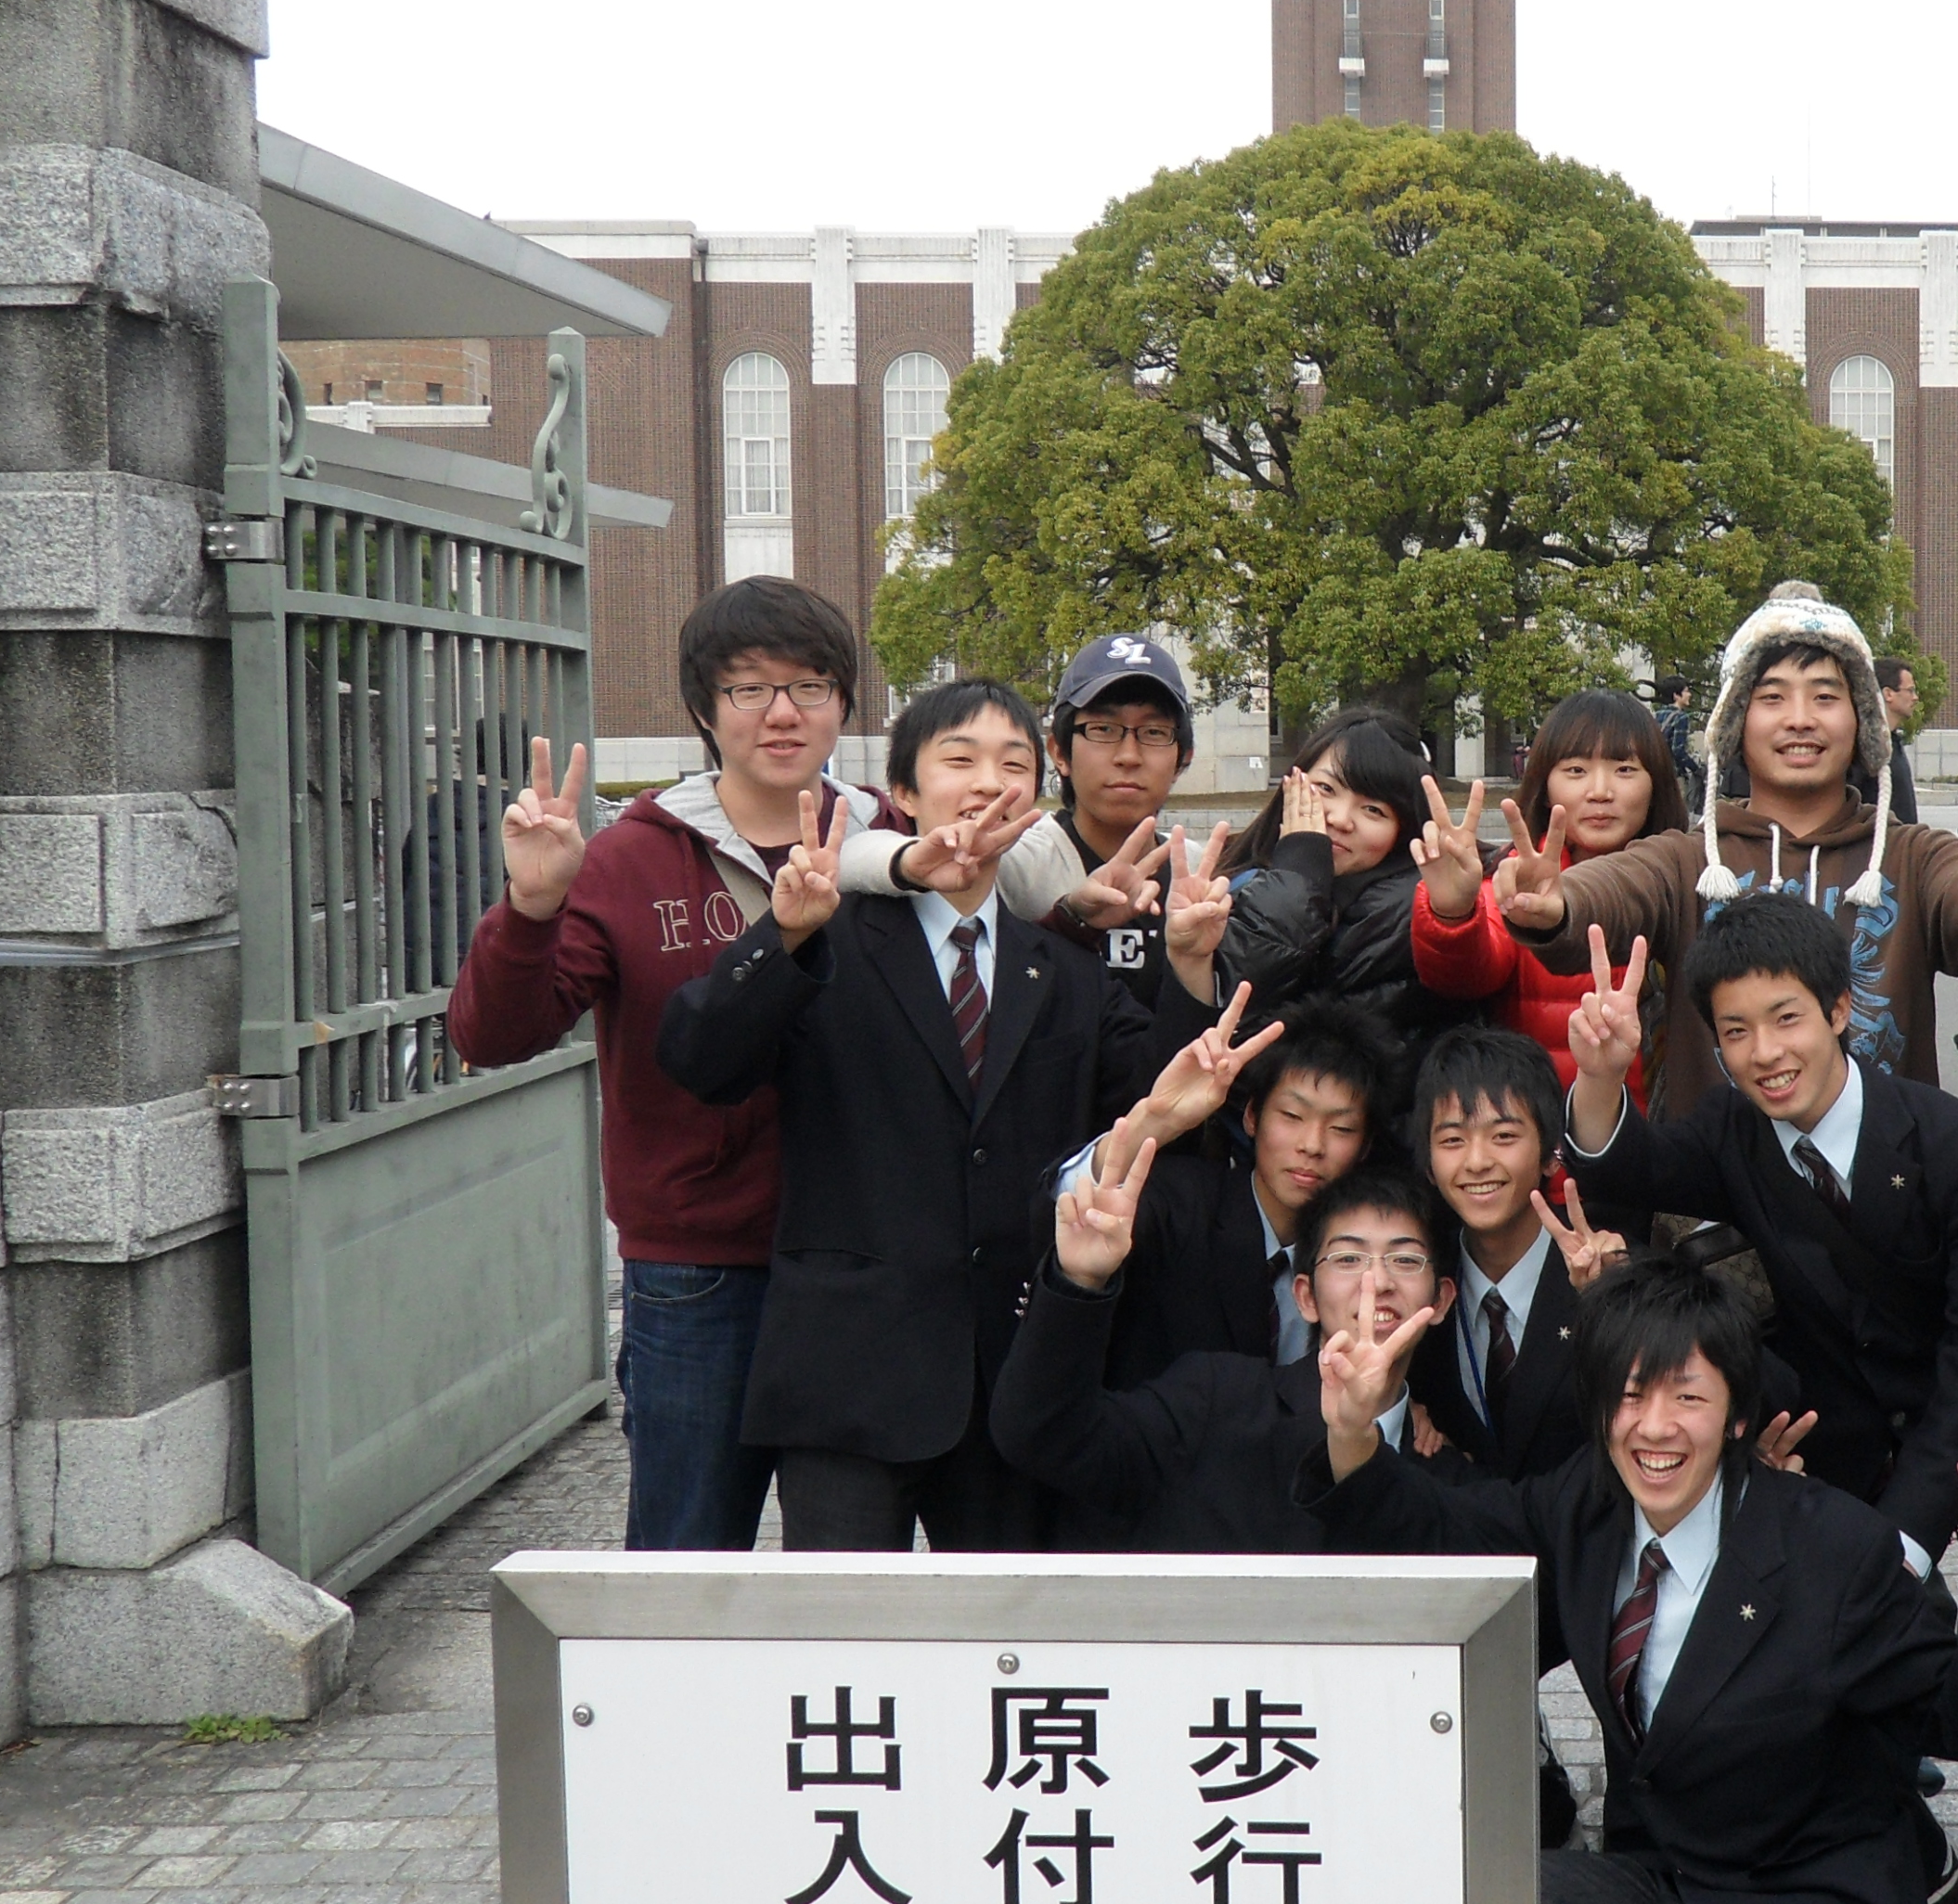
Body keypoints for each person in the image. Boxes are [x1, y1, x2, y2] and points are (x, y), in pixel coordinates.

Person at [1562, 894, 1958, 1904]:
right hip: (1836, 1444)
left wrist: (1904, 1537)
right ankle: (1890, 1840)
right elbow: (1630, 1163)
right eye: (1735, 1031)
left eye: (1786, 1019)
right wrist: (1601, 1074)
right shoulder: (1733, 1130)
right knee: (1818, 1651)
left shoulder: (1955, 1145)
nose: (1765, 1053)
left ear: (1841, 1010)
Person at [652, 676, 1243, 1551]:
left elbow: (1161, 1101)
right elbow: (699, 1062)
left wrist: (1190, 966)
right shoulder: (829, 941)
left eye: (1012, 764)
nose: (986, 782)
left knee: (1011, 1629)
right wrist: (782, 935)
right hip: (850, 1379)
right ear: (904, 789)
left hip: (1014, 1383)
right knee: (848, 1627)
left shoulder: (1062, 969)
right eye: (959, 760)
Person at [1304, 1251, 1958, 1904]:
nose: (1656, 1426)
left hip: (1812, 1877)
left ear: (1737, 1417)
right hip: (1662, 1870)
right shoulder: (1586, 1504)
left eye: (1688, 1396)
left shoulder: (1835, 1547)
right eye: (1630, 1394)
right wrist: (1353, 1432)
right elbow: (1445, 1532)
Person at [447, 579, 890, 1552]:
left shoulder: (894, 844)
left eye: (810, 685)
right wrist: (532, 909)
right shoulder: (631, 860)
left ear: (843, 702)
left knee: (854, 1573)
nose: (782, 712)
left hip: (867, 1263)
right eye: (749, 689)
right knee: (685, 1560)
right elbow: (492, 1034)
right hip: (699, 1272)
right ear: (704, 708)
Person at [1500, 581, 1958, 1119]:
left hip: (1885, 1195)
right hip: (1719, 1206)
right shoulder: (1689, 861)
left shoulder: (1912, 858)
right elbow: (1609, 892)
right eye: (1772, 697)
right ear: (1736, 725)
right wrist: (1555, 906)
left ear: (1861, 722)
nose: (1800, 718)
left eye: (1826, 696)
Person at [995, 1158, 1470, 1550]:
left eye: (1405, 1260)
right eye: (1348, 1258)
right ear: (1305, 1296)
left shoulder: (1454, 1479)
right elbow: (1046, 1435)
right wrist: (1079, 1281)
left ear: (1442, 1300)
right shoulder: (1218, 1403)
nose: (1378, 1282)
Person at [1094, 997, 1401, 1387]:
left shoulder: (1373, 1255)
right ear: (1252, 1116)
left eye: (1341, 1128)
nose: (1312, 1145)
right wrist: (1152, 1122)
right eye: (1292, 1116)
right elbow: (1067, 1223)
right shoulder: (1181, 1204)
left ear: (1365, 1147)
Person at [1410, 688, 1690, 1105]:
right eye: (1576, 770)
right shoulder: (1517, 881)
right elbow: (1466, 974)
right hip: (1538, 1127)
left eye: (1624, 770)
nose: (1600, 791)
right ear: (1545, 785)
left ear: (1657, 785)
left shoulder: (1691, 881)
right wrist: (1453, 913)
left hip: (1663, 1132)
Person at [1402, 1024, 1623, 1480]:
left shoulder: (1612, 1267)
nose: (1477, 1161)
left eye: (1503, 1136)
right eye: (1452, 1140)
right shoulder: (1414, 1282)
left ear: (1552, 1155)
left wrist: (1621, 1300)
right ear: (1428, 1164)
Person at [1212, 702, 1467, 1045]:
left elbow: (1240, 1016)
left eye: (1374, 810)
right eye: (1326, 789)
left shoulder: (1393, 921)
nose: (1340, 819)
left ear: (1403, 832)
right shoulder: (1229, 875)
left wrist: (1298, 878)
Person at [991, 630, 1197, 1004]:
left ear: (1183, 758)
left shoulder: (1202, 874)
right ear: (1059, 752)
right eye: (1103, 729)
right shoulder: (1015, 868)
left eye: (1154, 732)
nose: (1129, 756)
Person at [1874, 656, 1923, 825]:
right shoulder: (1868, 751)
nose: (1915, 697)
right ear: (1888, 694)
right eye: (1910, 690)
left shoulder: (1894, 743)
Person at [1651, 674, 1707, 817]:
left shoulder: (1655, 715)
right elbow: (1678, 750)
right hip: (1674, 775)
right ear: (1676, 695)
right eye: (1686, 691)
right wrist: (1696, 769)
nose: (1689, 695)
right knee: (1677, 815)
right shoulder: (1681, 717)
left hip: (1656, 773)